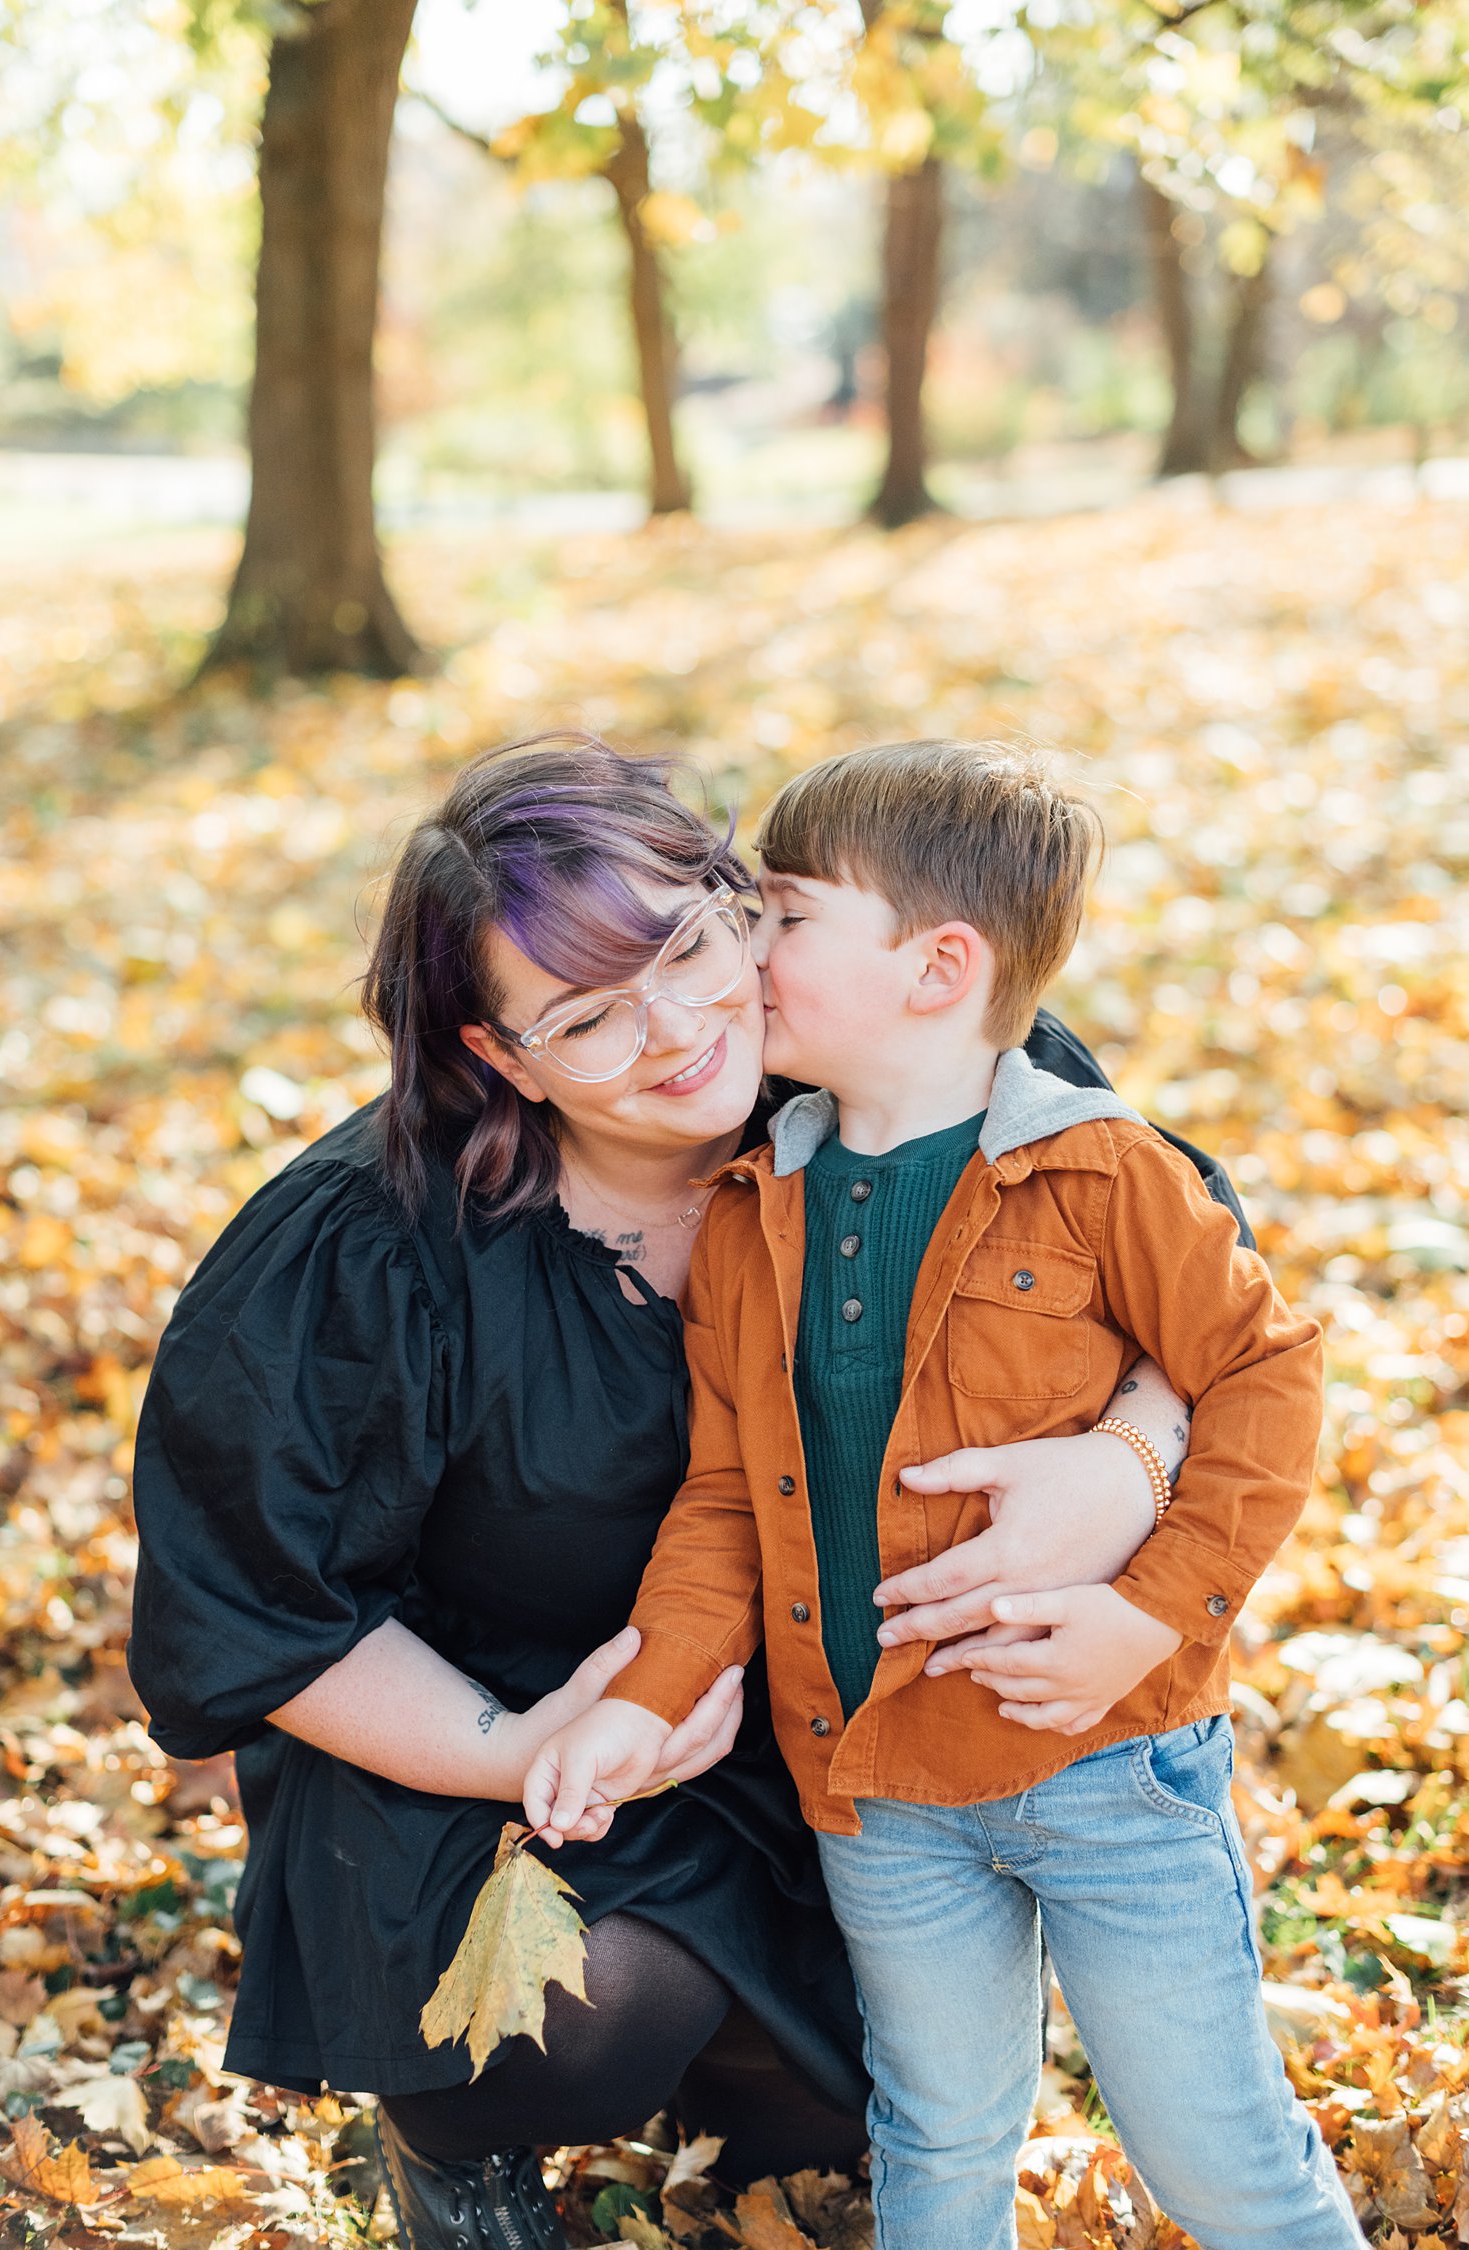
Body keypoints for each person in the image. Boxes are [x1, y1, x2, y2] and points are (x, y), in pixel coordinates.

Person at [129, 737, 1237, 2250]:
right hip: (497, 1721)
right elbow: (259, 1608)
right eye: (587, 1016)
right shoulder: (367, 1253)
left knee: (870, 2097)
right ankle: (461, 2150)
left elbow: (1208, 1289)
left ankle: (756, 2052)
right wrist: (531, 1743)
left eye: (696, 942)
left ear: (744, 902)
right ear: (500, 1057)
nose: (677, 1031)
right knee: (580, 2020)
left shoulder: (906, 1063)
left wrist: (1131, 1458)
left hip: (826, 1706)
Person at [524, 740, 1366, 2250]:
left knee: (1217, 2150)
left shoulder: (1107, 1177)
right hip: (875, 1781)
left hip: (1106, 1757)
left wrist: (1149, 1613)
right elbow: (727, 1494)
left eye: (780, 914)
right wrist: (642, 1698)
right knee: (938, 2133)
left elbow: (1267, 1375)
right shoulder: (753, 1208)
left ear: (939, 965)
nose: (742, 953)